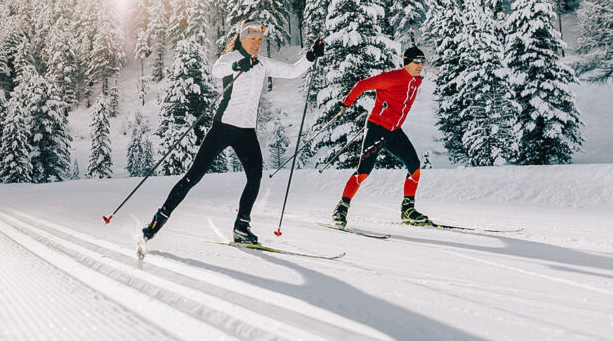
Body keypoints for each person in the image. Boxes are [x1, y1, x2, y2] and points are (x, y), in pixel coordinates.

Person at [142, 19, 325, 245]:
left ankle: (241, 227)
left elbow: (293, 71)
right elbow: (216, 70)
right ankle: (158, 220)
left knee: (255, 177)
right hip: (223, 127)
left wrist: (310, 56)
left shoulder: (262, 63)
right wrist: (237, 66)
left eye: (260, 40)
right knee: (193, 176)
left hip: (246, 131)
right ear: (242, 38)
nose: (257, 43)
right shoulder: (230, 58)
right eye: (253, 39)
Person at [331, 45, 434, 228]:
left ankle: (408, 210)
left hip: (394, 131)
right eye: (416, 61)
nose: (420, 65)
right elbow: (362, 85)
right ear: (406, 62)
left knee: (415, 167)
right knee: (363, 172)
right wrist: (346, 103)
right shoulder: (391, 78)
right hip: (377, 129)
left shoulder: (416, 80)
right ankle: (341, 208)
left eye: (422, 61)